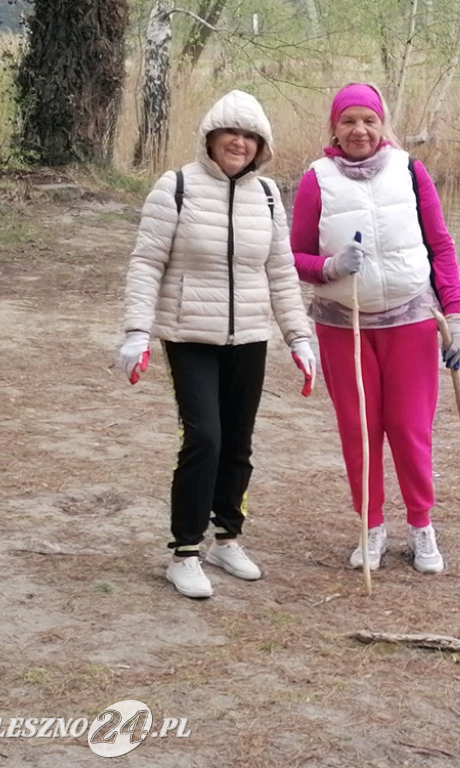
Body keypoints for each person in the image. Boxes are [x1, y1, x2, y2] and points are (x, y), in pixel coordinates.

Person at [115, 89, 317, 600]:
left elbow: (281, 271)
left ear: (261, 145)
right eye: (232, 132)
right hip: (189, 334)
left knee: (238, 442)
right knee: (204, 437)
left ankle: (227, 537)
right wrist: (137, 331)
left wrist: (299, 336)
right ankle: (184, 552)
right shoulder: (175, 186)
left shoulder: (268, 195)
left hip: (249, 336)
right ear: (210, 136)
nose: (240, 143)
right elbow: (146, 262)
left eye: (251, 136)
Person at [289, 82, 460, 575]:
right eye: (348, 121)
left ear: (382, 124)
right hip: (341, 325)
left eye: (368, 120)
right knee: (359, 430)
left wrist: (454, 315)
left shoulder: (410, 171)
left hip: (410, 318)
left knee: (409, 429)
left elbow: (441, 246)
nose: (359, 130)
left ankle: (421, 526)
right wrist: (329, 266)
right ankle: (371, 527)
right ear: (334, 128)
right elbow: (293, 257)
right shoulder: (315, 180)